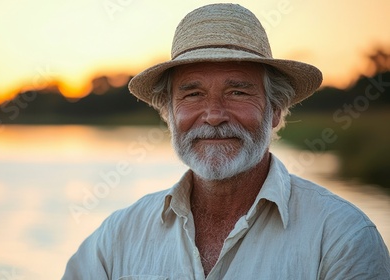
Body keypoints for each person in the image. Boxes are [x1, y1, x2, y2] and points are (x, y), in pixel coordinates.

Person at [63, 3, 390, 279]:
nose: (214, 115)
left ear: (275, 110)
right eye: (193, 94)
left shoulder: (342, 238)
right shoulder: (118, 238)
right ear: (169, 114)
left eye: (237, 91)